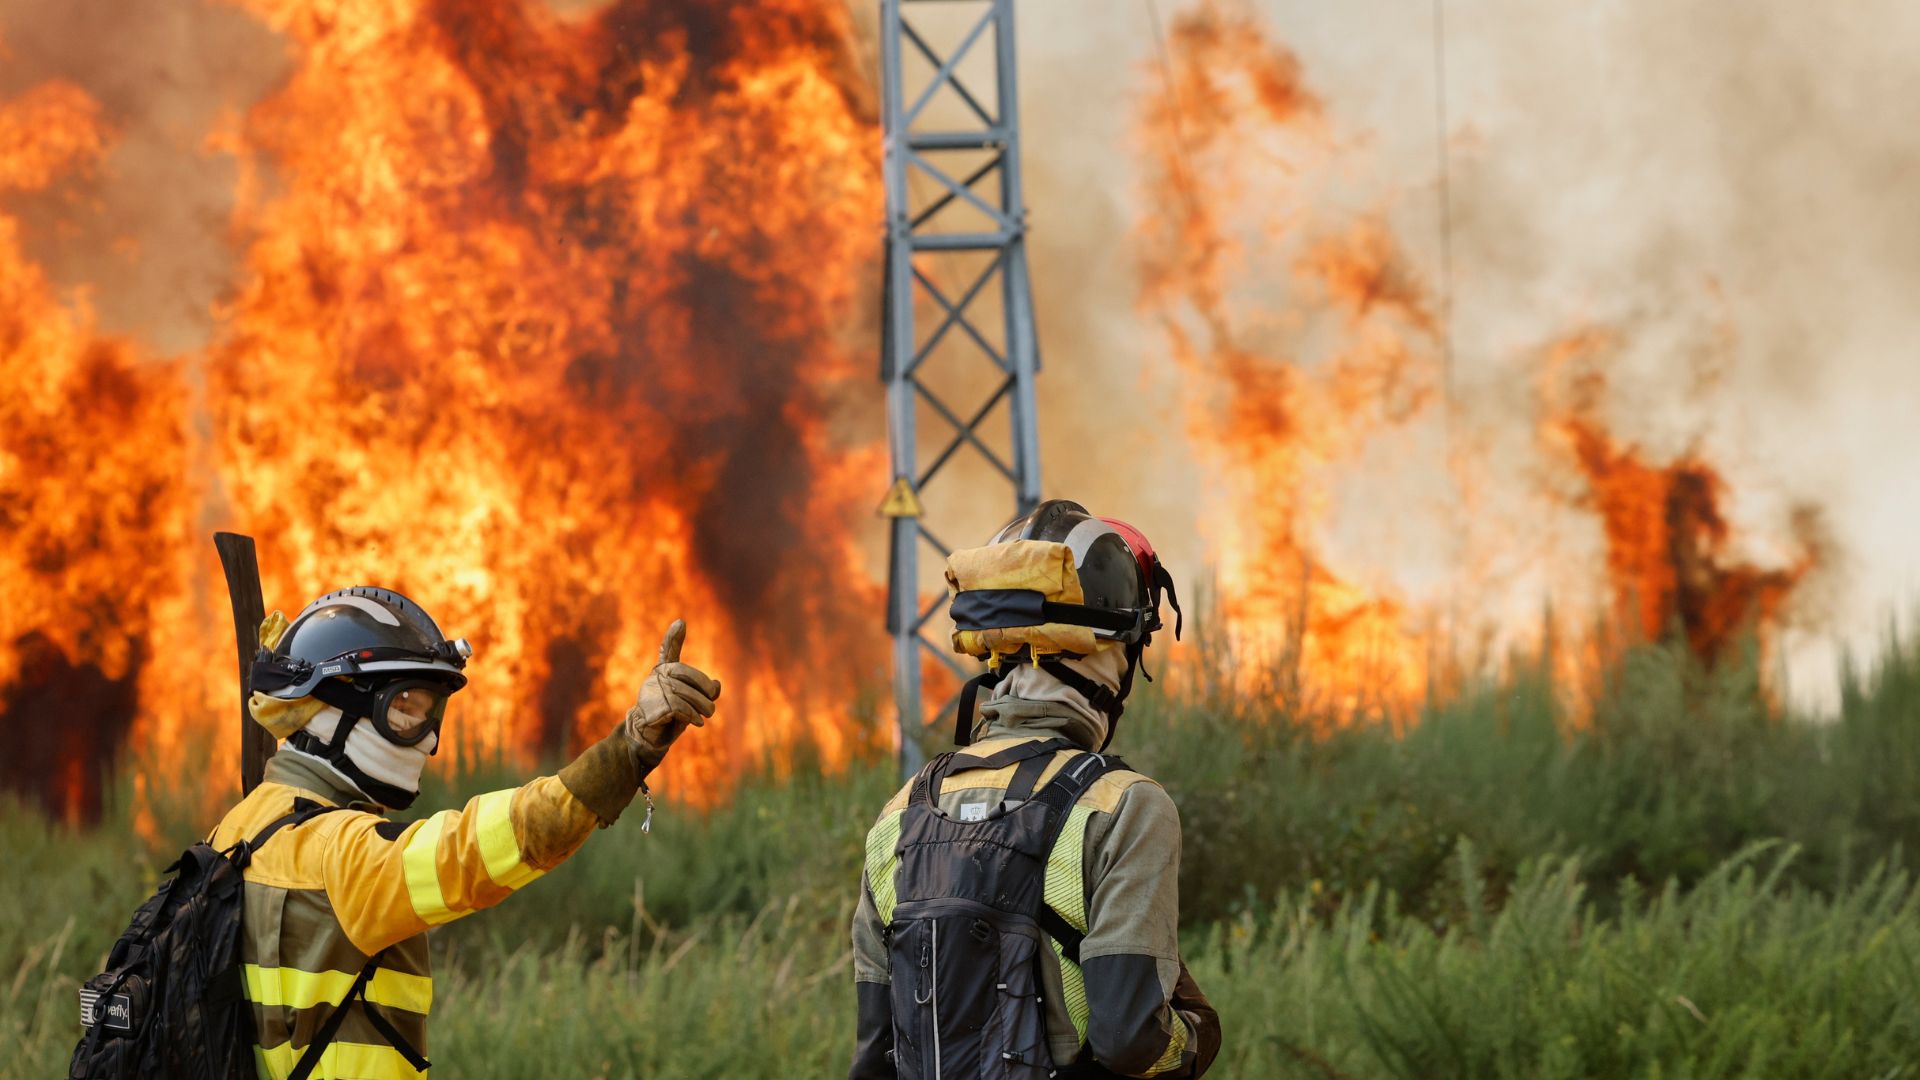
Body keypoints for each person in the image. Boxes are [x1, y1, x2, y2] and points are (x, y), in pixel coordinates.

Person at [211, 586, 719, 1079]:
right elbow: (479, 848)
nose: (428, 737)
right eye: (405, 707)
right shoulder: (342, 856)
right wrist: (628, 750)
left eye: (431, 711)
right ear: (331, 709)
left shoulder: (234, 831)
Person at [849, 500, 1222, 1078]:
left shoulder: (900, 813)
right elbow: (1130, 1040)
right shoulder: (1123, 806)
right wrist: (1195, 1039)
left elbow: (876, 1055)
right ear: (1110, 654)